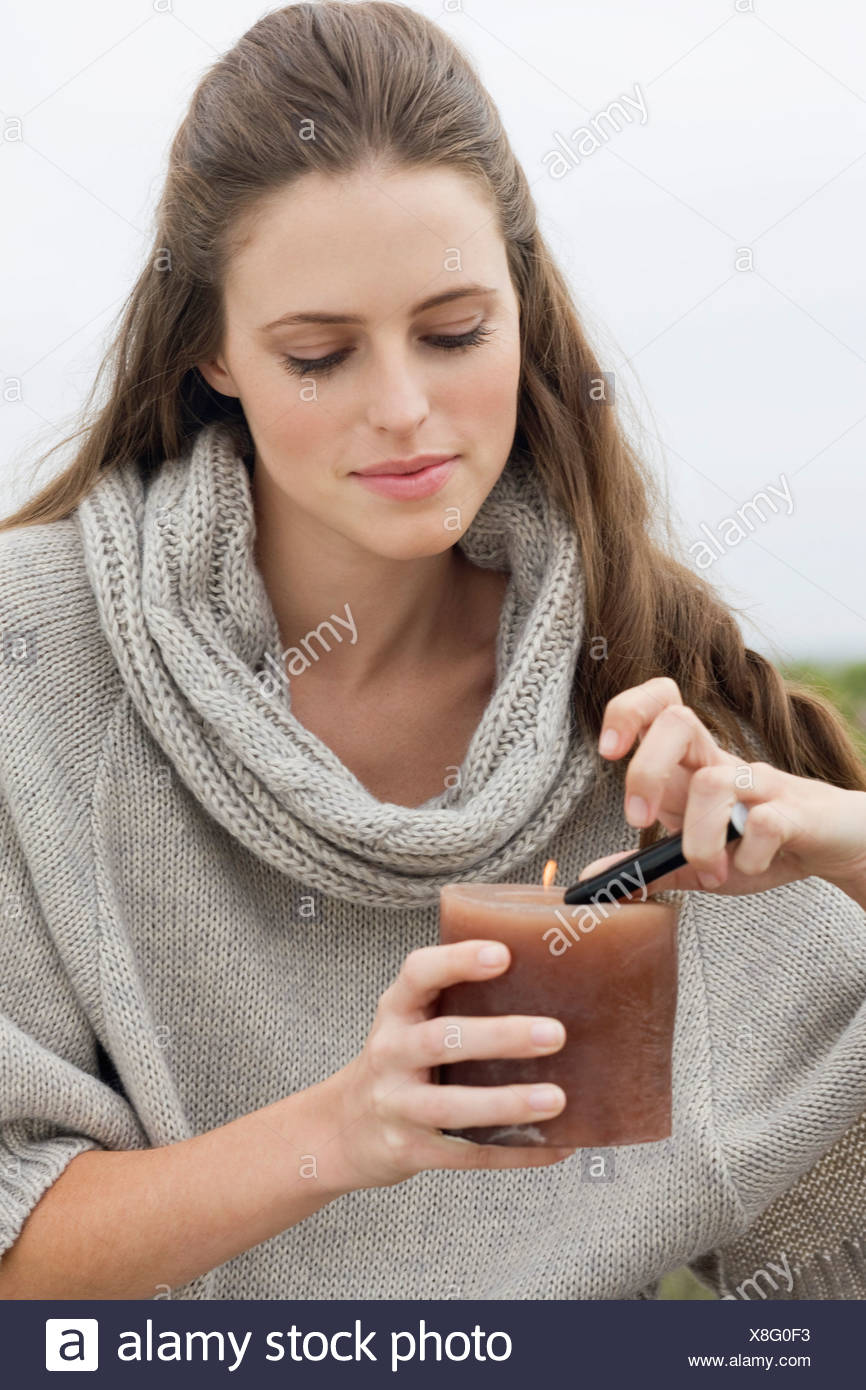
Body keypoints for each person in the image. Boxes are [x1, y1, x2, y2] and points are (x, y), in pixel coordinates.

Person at [0, 0, 864, 1302]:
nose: (402, 408)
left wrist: (849, 848)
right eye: (319, 353)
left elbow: (825, 1265)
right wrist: (343, 1132)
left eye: (455, 333)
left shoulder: (639, 702)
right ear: (213, 351)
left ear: (521, 307)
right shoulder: (34, 660)